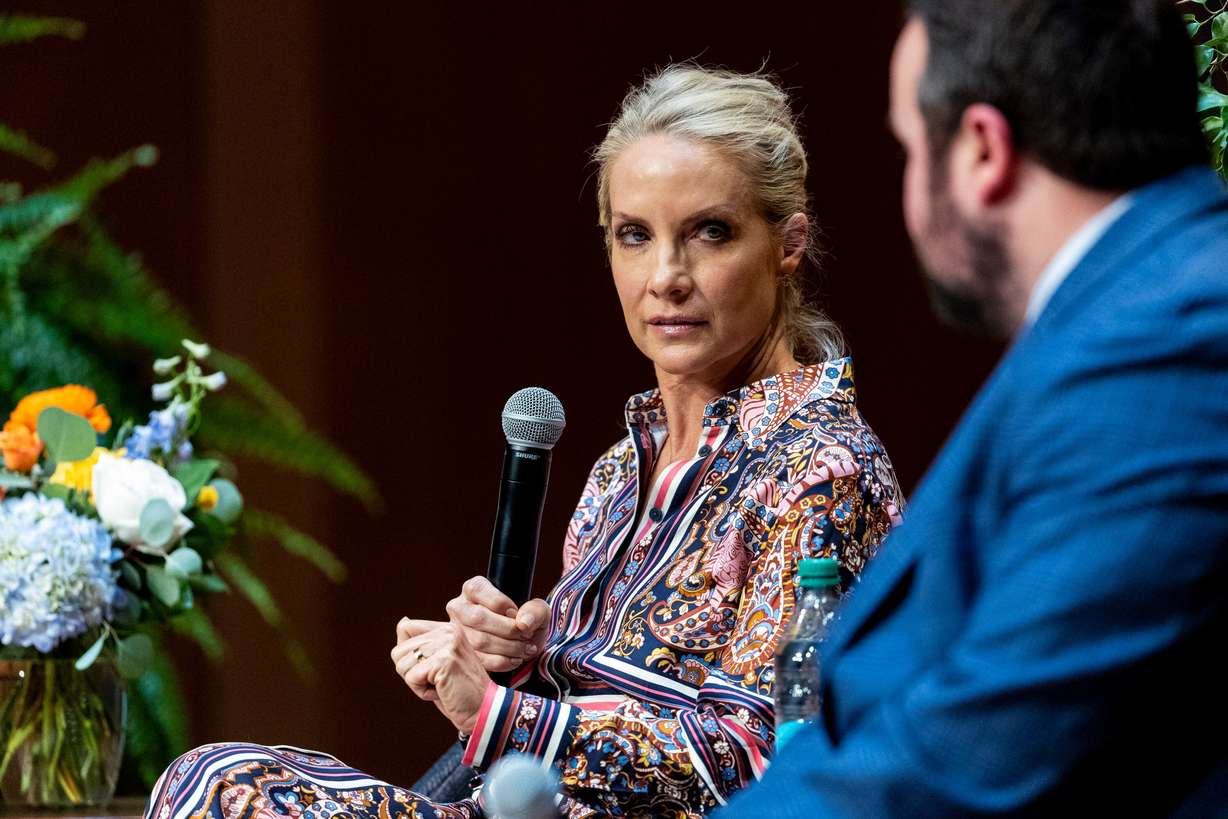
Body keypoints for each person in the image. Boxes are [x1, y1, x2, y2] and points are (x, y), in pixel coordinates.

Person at [145, 66, 903, 819]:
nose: (667, 276)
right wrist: (512, 666)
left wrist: (500, 714)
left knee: (222, 794)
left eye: (710, 232)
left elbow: (764, 760)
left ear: (789, 243)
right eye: (635, 236)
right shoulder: (618, 471)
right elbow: (572, 728)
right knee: (211, 778)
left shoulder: (824, 467)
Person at [720, 2, 1228, 817]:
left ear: (983, 151)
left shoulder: (1170, 343)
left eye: (910, 149)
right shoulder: (1132, 311)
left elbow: (969, 762)